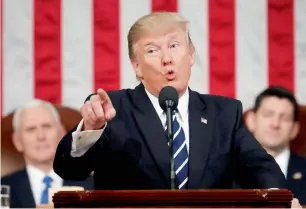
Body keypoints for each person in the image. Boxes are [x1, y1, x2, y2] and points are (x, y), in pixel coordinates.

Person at [53, 12, 301, 207]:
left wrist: (281, 199)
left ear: (191, 54)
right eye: (152, 50)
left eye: (174, 46)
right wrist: (90, 129)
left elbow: (260, 169)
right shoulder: (112, 109)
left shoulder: (224, 113)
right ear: (137, 66)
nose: (167, 59)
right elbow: (70, 170)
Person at [1, 99, 94, 208]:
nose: (40, 136)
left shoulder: (94, 187)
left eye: (47, 126)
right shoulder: (2, 188)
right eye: (31, 129)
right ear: (17, 141)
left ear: (62, 134)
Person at [245, 86, 306, 204]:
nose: (275, 124)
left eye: (284, 118)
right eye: (268, 115)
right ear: (251, 120)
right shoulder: (227, 170)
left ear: (294, 129)